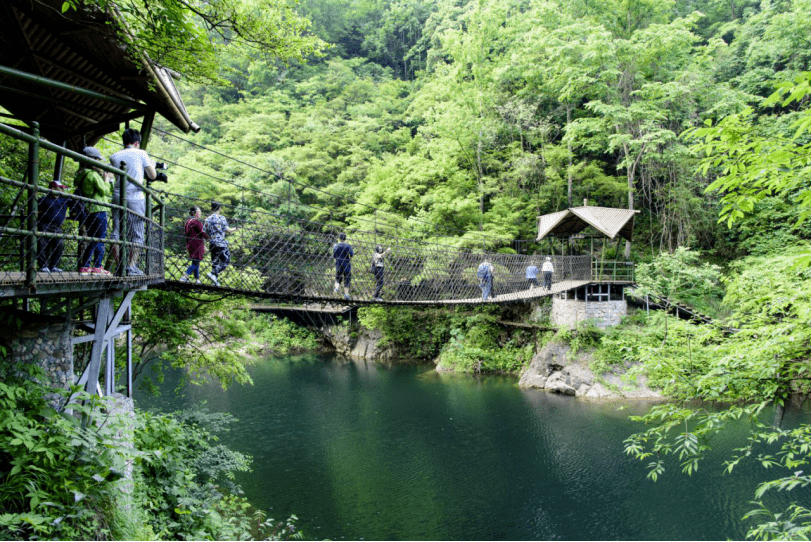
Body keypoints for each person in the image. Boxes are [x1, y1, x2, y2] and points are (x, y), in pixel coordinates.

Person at [109, 128, 157, 276]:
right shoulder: (141, 153)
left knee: (116, 232)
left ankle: (120, 266)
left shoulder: (114, 156)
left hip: (117, 196)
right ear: (137, 143)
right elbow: (152, 175)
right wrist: (152, 165)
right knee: (137, 234)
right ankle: (130, 266)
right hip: (135, 197)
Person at [77, 147, 114, 275]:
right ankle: (97, 266)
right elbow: (104, 190)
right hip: (99, 209)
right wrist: (107, 179)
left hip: (89, 209)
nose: (99, 163)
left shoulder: (81, 174)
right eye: (97, 160)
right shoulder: (92, 175)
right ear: (92, 161)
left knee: (93, 238)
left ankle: (86, 266)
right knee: (100, 239)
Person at [36, 180, 70, 273]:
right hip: (44, 224)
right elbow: (36, 211)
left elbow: (75, 202)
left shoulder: (64, 199)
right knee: (42, 245)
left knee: (59, 244)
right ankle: (43, 266)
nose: (62, 190)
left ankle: (54, 266)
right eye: (60, 188)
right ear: (53, 188)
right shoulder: (44, 199)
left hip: (57, 226)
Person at [204, 201, 237, 286]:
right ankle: (212, 273)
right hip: (220, 243)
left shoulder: (207, 219)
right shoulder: (221, 218)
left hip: (212, 243)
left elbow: (204, 231)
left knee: (215, 262)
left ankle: (215, 281)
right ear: (220, 208)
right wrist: (235, 228)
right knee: (226, 259)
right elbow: (228, 230)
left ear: (211, 209)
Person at [181, 205, 208, 284]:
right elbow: (203, 232)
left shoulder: (188, 222)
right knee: (196, 262)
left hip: (190, 244)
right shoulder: (196, 222)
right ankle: (185, 276)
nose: (200, 213)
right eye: (199, 211)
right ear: (195, 212)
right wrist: (210, 237)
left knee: (196, 261)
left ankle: (197, 279)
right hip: (197, 244)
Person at [332, 233, 354, 300]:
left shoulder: (336, 245)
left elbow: (334, 256)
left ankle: (335, 290)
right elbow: (352, 254)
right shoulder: (348, 246)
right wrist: (349, 258)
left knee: (338, 278)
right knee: (347, 279)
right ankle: (346, 295)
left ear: (339, 238)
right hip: (346, 264)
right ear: (345, 238)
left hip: (338, 264)